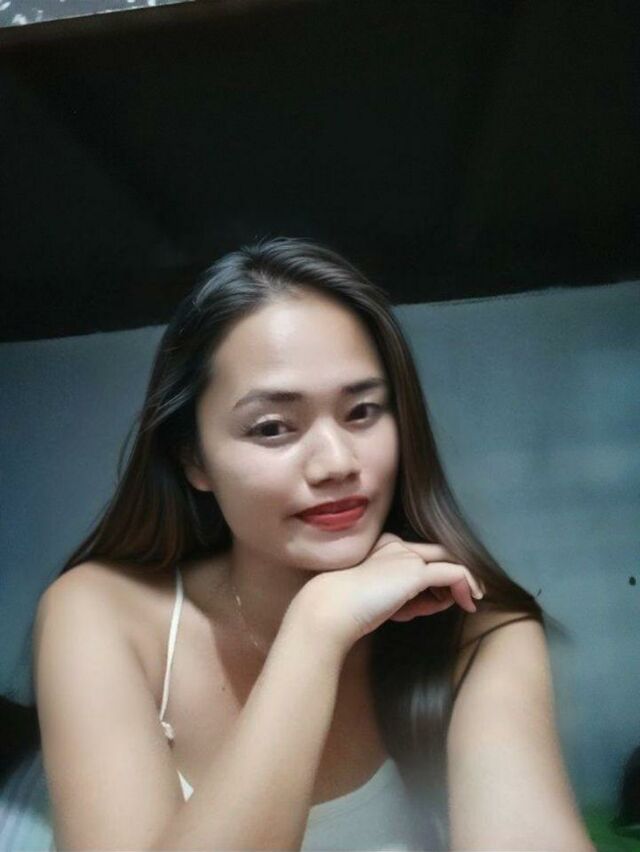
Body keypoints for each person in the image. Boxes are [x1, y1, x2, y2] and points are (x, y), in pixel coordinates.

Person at [33, 237, 594, 851]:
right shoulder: (100, 613)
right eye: (273, 427)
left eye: (362, 412)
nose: (336, 463)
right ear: (194, 458)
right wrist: (316, 631)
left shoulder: (477, 628)